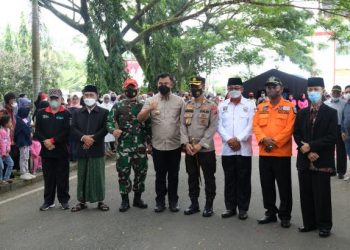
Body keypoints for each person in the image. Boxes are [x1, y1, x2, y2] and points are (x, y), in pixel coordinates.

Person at [293, 77, 337, 237]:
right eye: (310, 89)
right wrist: (306, 151)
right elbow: (296, 133)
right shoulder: (302, 113)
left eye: (316, 89)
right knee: (306, 193)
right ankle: (309, 223)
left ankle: (324, 225)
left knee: (322, 195)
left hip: (322, 159)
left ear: (323, 91)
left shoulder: (331, 113)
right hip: (305, 159)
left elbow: (332, 136)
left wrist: (311, 146)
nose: (312, 92)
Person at [138, 73, 185, 213]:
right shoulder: (150, 100)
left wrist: (184, 143)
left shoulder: (180, 101)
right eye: (160, 83)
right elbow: (140, 119)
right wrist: (149, 109)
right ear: (157, 84)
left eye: (166, 83)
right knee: (159, 175)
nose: (163, 86)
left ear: (171, 84)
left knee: (173, 175)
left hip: (174, 145)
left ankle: (173, 201)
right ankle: (160, 202)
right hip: (157, 145)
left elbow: (183, 123)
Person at [253, 76, 296, 228]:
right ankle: (270, 212)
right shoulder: (261, 107)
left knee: (284, 186)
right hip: (264, 153)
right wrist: (264, 139)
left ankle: (285, 215)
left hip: (281, 153)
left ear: (281, 89)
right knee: (267, 185)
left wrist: (275, 142)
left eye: (274, 86)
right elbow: (256, 126)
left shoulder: (289, 107)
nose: (271, 89)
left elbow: (289, 128)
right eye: (268, 87)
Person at [107, 78, 151, 212]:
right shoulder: (118, 105)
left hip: (140, 146)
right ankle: (124, 200)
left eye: (133, 88)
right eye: (128, 88)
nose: (131, 90)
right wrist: (113, 130)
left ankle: (137, 199)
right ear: (124, 90)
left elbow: (149, 126)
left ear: (138, 90)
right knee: (123, 173)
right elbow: (108, 121)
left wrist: (150, 143)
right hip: (124, 146)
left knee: (141, 172)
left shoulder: (144, 105)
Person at [218, 77, 255, 220]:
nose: (234, 90)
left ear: (242, 89)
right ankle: (230, 207)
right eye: (231, 87)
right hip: (227, 149)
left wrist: (238, 139)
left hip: (244, 149)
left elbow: (251, 125)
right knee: (229, 179)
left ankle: (243, 209)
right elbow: (219, 125)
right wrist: (229, 140)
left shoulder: (250, 104)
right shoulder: (222, 105)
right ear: (227, 89)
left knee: (244, 179)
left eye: (237, 87)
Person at [180, 76, 218, 217]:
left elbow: (213, 127)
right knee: (192, 177)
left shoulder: (211, 105)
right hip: (190, 148)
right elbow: (182, 125)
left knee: (209, 177)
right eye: (192, 86)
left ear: (203, 86)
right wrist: (186, 143)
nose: (194, 89)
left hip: (206, 149)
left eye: (197, 86)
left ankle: (209, 205)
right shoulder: (186, 105)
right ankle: (194, 204)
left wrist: (200, 145)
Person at [71, 85, 109, 212]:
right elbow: (73, 128)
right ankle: (81, 201)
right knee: (82, 175)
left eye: (91, 95)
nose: (88, 97)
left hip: (97, 148)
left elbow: (105, 129)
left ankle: (100, 201)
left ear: (97, 96)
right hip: (82, 148)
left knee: (98, 175)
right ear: (83, 96)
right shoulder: (77, 113)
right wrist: (83, 138)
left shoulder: (104, 112)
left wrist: (93, 139)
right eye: (86, 95)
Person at [34, 89, 71, 211]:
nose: (54, 101)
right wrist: (46, 141)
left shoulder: (66, 114)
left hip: (61, 151)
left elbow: (67, 132)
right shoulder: (40, 113)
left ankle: (63, 200)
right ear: (48, 99)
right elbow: (37, 131)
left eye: (57, 98)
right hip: (46, 151)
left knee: (62, 177)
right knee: (48, 178)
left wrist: (53, 141)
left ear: (61, 100)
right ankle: (48, 201)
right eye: (52, 98)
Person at [324, 85, 347, 179]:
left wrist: (344, 130)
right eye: (334, 92)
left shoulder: (344, 103)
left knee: (341, 150)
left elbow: (346, 117)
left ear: (340, 93)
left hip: (340, 128)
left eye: (338, 92)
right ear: (331, 92)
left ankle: (341, 171)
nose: (336, 94)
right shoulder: (325, 103)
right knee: (329, 150)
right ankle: (331, 169)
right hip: (329, 128)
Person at [14, 105, 35, 180]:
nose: (28, 114)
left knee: (26, 157)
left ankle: (26, 171)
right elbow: (26, 130)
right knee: (23, 157)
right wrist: (30, 132)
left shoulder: (23, 119)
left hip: (26, 141)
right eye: (27, 113)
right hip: (22, 142)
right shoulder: (19, 121)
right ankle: (23, 172)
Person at [0, 115, 14, 186]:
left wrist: (8, 148)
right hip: (1, 152)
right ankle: (1, 180)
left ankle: (6, 178)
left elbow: (8, 141)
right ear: (6, 124)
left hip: (5, 152)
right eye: (10, 122)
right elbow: (1, 143)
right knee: (1, 166)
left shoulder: (8, 130)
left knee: (11, 163)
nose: (11, 123)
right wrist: (3, 152)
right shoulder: (1, 131)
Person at [341, 85, 350, 179]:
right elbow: (343, 119)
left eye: (349, 92)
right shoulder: (346, 104)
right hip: (347, 136)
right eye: (346, 92)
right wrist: (342, 131)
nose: (348, 94)